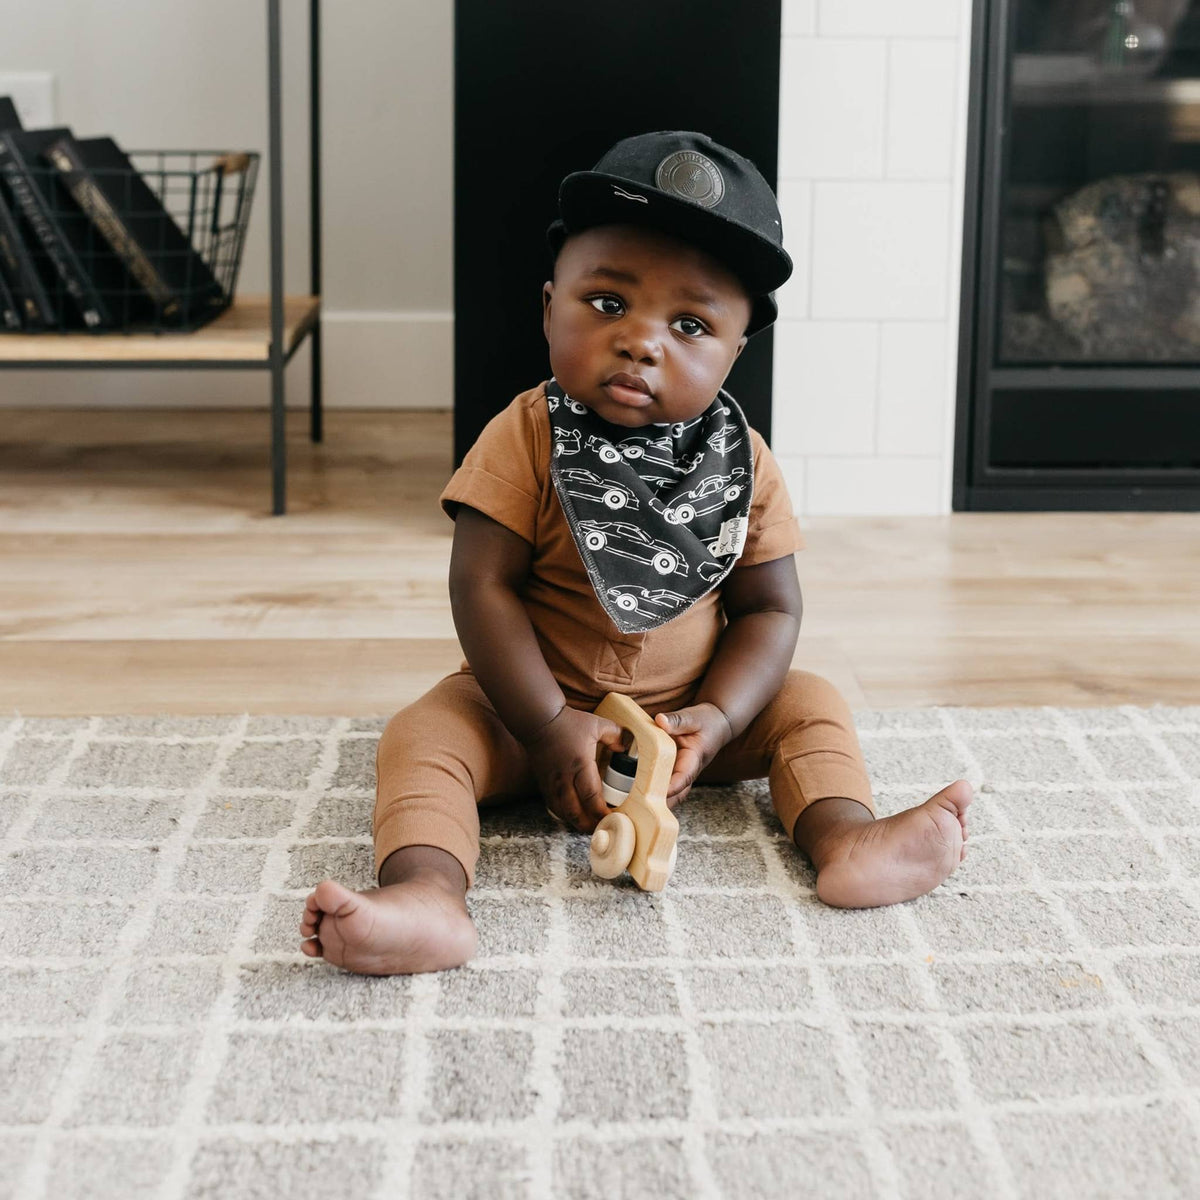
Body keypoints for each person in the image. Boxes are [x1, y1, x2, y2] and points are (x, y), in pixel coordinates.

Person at [300, 131, 972, 975]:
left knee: (810, 702)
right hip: (530, 707)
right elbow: (482, 586)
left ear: (736, 351)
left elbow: (772, 608)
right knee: (423, 733)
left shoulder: (744, 461)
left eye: (690, 324)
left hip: (692, 720)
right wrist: (545, 726)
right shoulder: (526, 434)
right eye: (609, 303)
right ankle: (427, 892)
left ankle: (846, 838)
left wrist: (722, 717)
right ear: (550, 306)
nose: (642, 340)